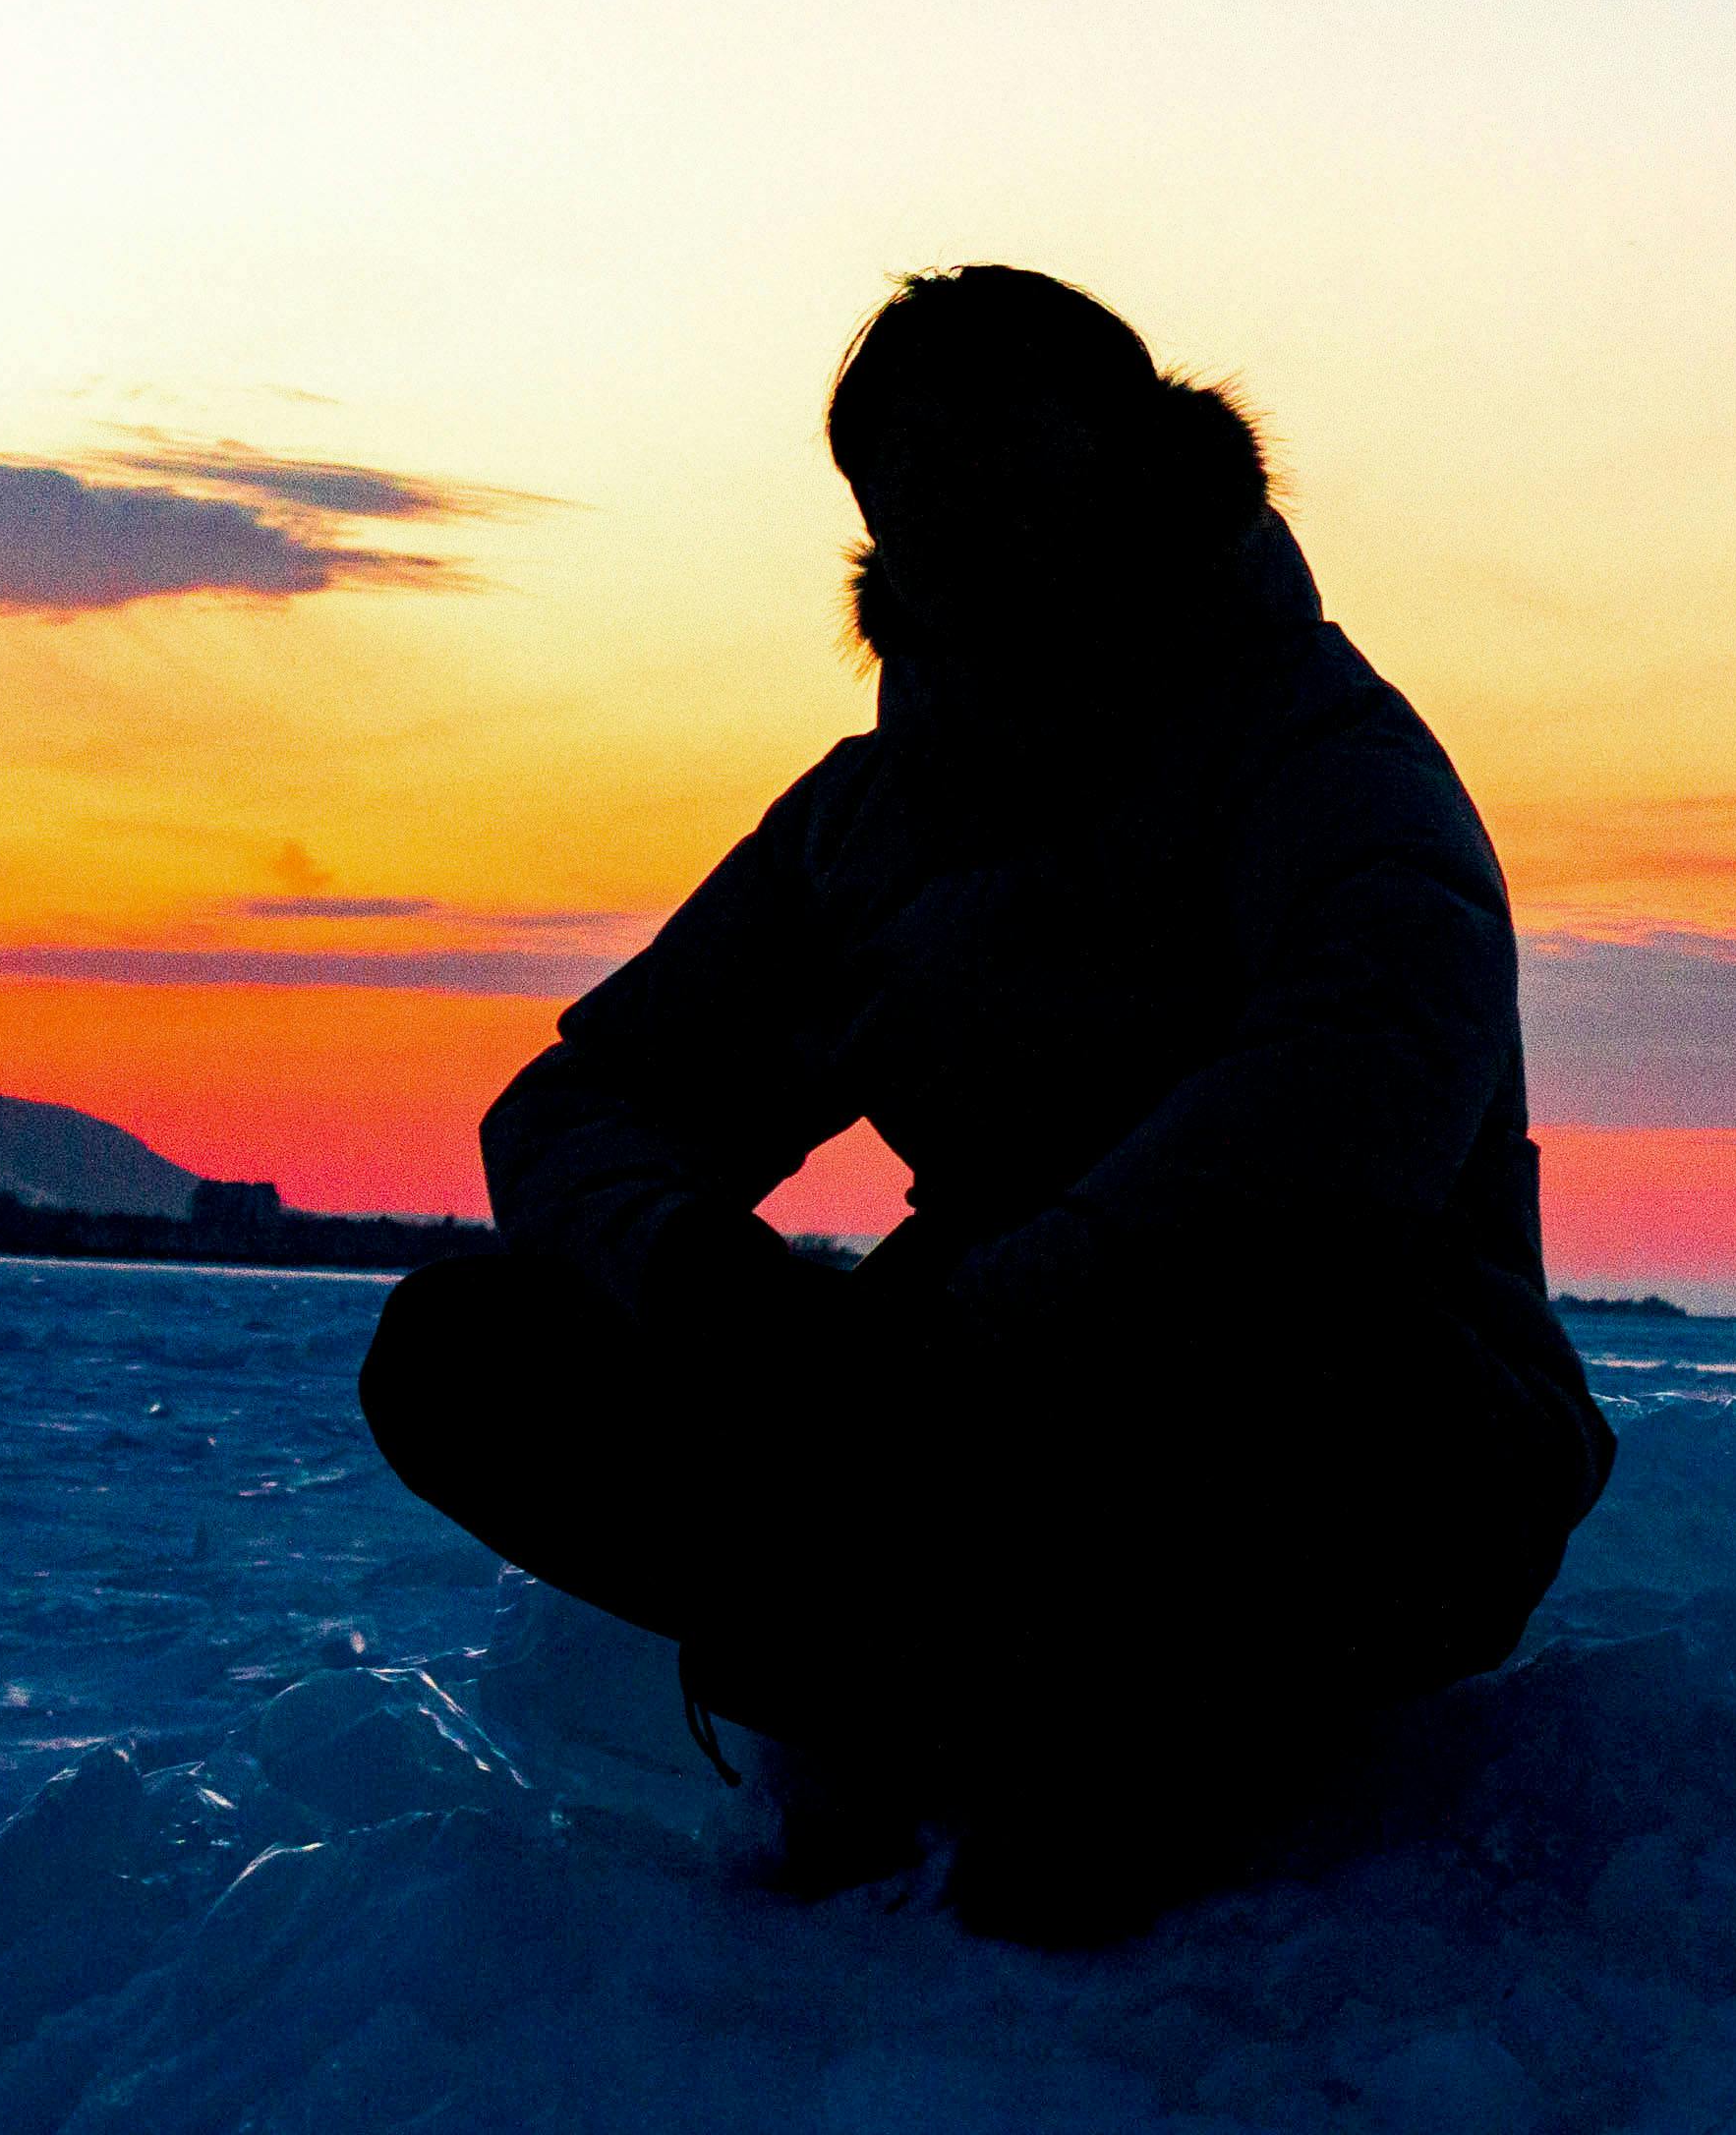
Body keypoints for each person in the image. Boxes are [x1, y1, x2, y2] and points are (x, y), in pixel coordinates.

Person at [357, 264, 1611, 1935]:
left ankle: (1105, 1733)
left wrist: (996, 1323)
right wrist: (695, 1276)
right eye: (914, 493)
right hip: (968, 1419)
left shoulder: (1324, 757)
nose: (963, 525)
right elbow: (591, 1099)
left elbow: (1350, 1101)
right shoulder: (875, 816)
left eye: (1005, 467)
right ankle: (920, 1693)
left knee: (1216, 1428)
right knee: (471, 1352)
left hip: (1359, 1412)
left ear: (1130, 460)